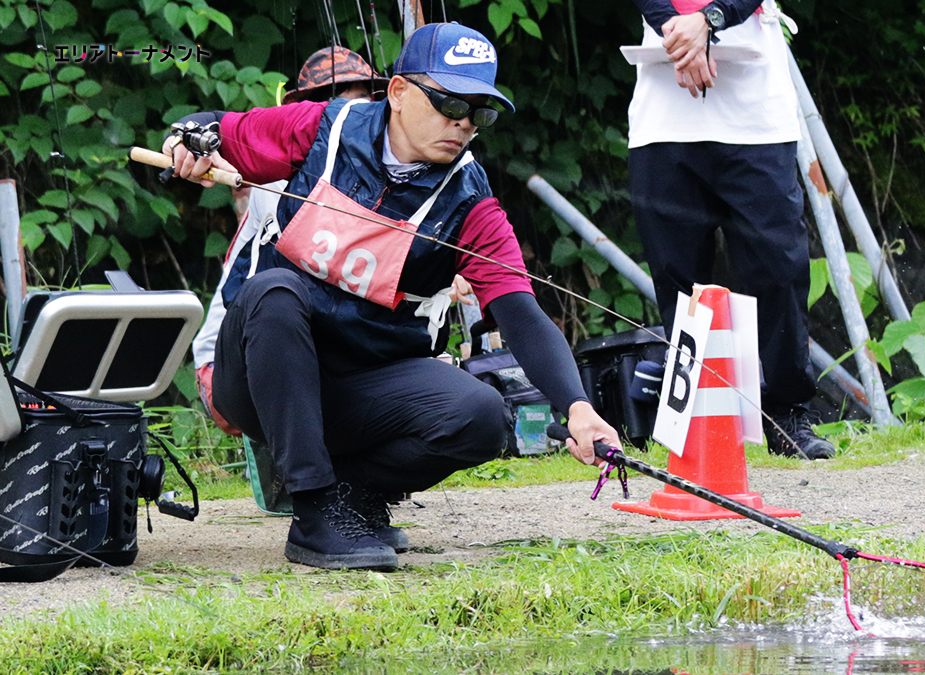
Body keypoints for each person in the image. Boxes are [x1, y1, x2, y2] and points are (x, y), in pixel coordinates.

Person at [166, 23, 619, 571]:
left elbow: (519, 311)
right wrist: (185, 141)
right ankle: (313, 515)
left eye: (482, 112)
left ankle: (352, 501)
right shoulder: (321, 127)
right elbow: (213, 128)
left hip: (365, 389)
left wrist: (578, 408)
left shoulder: (472, 203)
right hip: (263, 377)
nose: (464, 123)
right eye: (450, 102)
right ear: (400, 92)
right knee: (276, 289)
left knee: (482, 414)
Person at [626, 0, 835, 460]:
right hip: (664, 116)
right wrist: (682, 37)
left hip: (756, 117)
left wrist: (709, 20)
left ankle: (786, 411)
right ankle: (695, 420)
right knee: (677, 277)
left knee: (778, 268)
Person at [193, 46, 384, 435]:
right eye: (339, 108)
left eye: (363, 105)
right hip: (224, 361)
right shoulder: (286, 176)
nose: (353, 119)